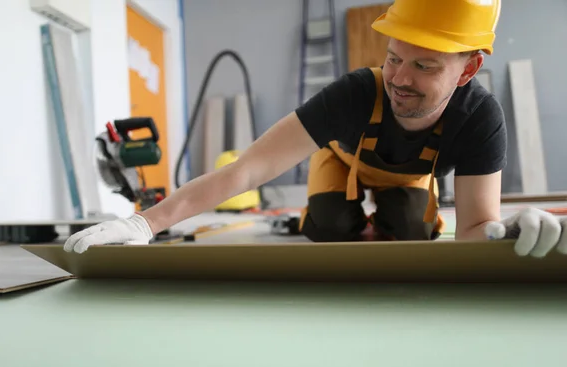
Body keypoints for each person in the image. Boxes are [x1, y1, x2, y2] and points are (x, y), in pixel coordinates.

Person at [64, 0, 566, 258]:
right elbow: (245, 171)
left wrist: (506, 236)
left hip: (411, 179)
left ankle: (390, 217)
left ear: (469, 69)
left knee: (414, 232)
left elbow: (476, 231)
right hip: (342, 163)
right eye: (394, 58)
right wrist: (143, 225)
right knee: (327, 229)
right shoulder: (354, 94)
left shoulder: (481, 119)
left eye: (426, 66)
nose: (400, 79)